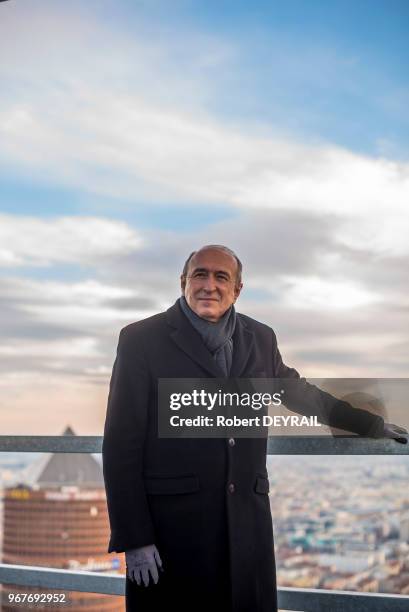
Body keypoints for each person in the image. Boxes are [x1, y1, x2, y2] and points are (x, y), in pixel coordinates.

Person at [102, 244, 408, 612]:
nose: (209, 285)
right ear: (183, 281)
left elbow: (299, 394)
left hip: (246, 525)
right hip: (175, 531)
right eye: (200, 274)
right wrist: (135, 539)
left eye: (221, 277)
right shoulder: (141, 340)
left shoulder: (260, 338)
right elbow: (121, 444)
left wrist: (370, 424)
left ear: (237, 289)